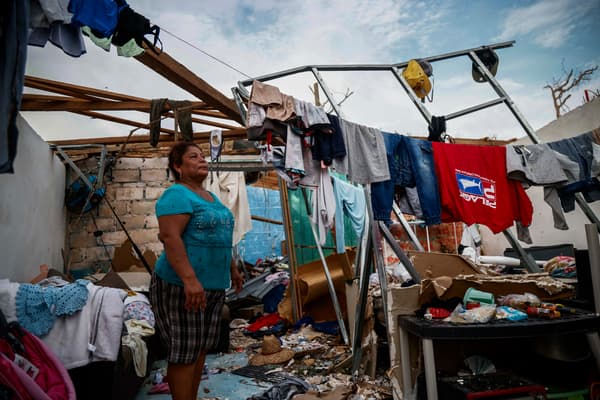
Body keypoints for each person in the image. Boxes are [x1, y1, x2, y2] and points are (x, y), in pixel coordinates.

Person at [149, 141, 244, 400]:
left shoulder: (211, 197)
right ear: (178, 166)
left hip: (211, 286)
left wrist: (232, 269)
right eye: (194, 156)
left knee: (200, 348)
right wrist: (190, 280)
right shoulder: (176, 195)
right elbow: (170, 238)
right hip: (181, 285)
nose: (202, 159)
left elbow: (219, 237)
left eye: (203, 156)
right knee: (184, 351)